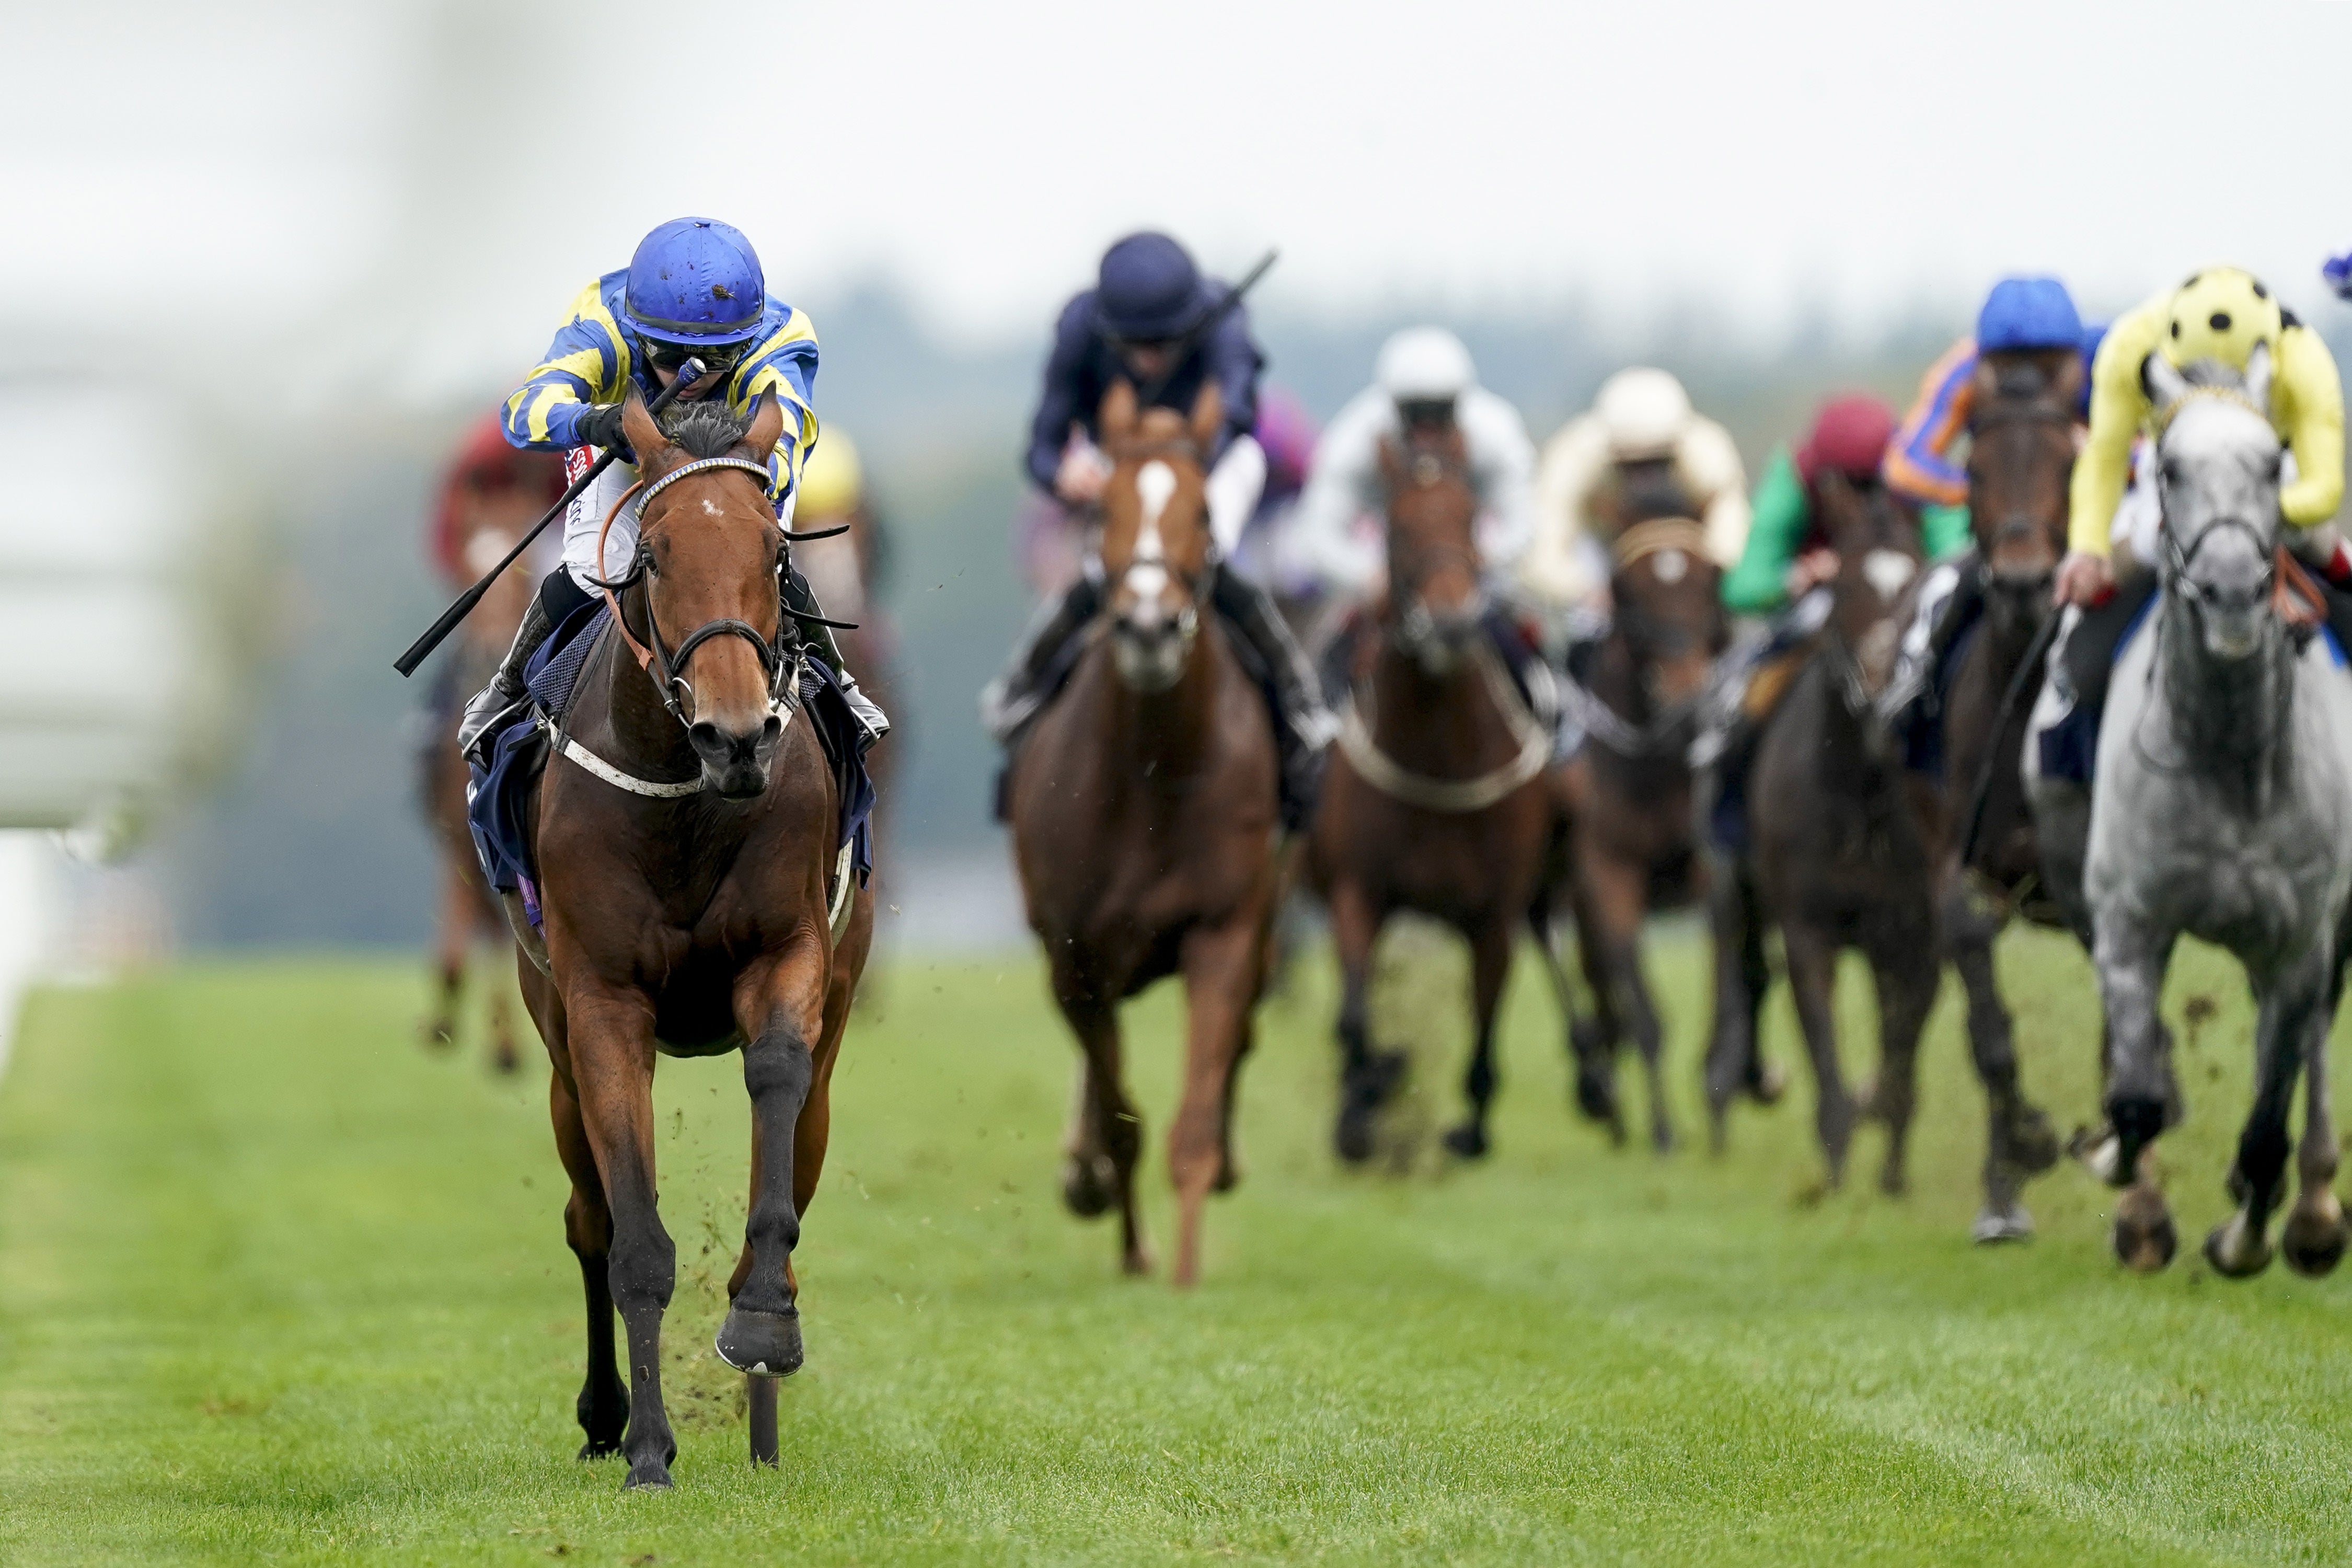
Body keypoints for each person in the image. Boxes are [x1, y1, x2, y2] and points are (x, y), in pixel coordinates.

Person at [457, 216, 887, 759]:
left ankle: (838, 687)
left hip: (740, 463)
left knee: (764, 557)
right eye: (666, 355)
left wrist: (730, 500)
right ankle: (506, 690)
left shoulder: (783, 338)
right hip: (626, 456)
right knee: (594, 567)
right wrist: (592, 421)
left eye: (718, 358)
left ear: (746, 340)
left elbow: (786, 440)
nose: (693, 374)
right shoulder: (601, 318)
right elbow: (523, 412)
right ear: (637, 332)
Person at [981, 231, 1333, 828]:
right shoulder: (1079, 329)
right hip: (1118, 460)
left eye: (1164, 345)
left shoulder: (1224, 319)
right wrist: (1063, 474)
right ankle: (1020, 694)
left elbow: (1239, 411)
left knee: (1205, 557)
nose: (1148, 358)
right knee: (1105, 570)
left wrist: (1180, 472)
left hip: (1212, 457)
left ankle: (1301, 711)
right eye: (1133, 347)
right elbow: (1040, 445)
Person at [2028, 265, 2347, 788]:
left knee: (2331, 551)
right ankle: (2065, 769)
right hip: (2177, 477)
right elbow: (2105, 460)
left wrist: (2251, 511)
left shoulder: (2304, 358)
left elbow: (2323, 488)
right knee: (2089, 636)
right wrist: (2088, 550)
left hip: (2271, 477)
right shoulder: (2130, 348)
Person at [1518, 366, 1748, 635]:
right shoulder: (1573, 460)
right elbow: (1544, 550)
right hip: (1604, 551)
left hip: (1688, 551)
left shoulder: (1709, 455)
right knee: (1586, 624)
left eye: (1658, 463)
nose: (1645, 481)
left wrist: (1706, 580)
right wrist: (1584, 590)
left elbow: (1732, 542)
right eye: (1631, 467)